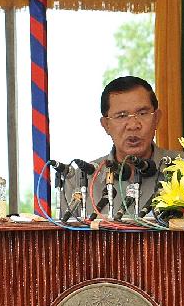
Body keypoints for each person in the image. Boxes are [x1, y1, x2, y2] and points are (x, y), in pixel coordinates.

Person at [62, 76, 177, 219]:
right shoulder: (81, 180)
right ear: (106, 125)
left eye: (142, 113)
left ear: (157, 118)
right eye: (121, 116)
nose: (133, 125)